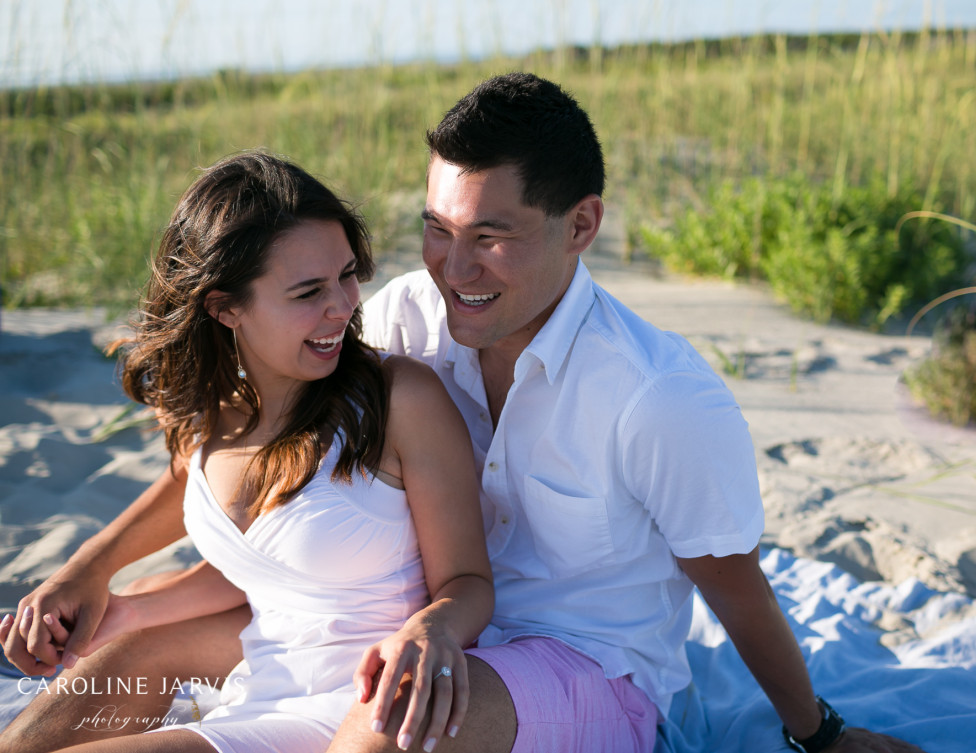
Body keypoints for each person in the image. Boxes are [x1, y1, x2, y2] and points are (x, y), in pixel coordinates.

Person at [1, 76, 923, 753]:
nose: (455, 267)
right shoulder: (404, 315)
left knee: (396, 720)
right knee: (101, 679)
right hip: (381, 628)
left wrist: (819, 731)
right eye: (439, 231)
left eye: (491, 236)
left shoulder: (656, 395)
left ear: (581, 224)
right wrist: (95, 569)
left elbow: (734, 583)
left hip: (576, 667)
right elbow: (264, 445)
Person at [0, 151, 493, 753]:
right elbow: (203, 501)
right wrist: (91, 572)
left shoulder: (400, 400)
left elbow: (469, 581)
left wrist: (432, 628)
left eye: (346, 274)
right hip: (254, 678)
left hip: (356, 706)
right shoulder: (212, 413)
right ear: (225, 307)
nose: (343, 306)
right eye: (308, 291)